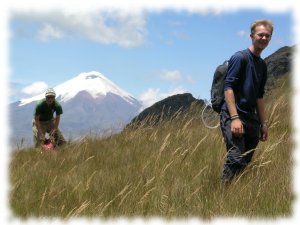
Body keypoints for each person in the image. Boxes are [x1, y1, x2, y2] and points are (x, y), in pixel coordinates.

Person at [220, 20, 273, 183]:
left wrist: (263, 124)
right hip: (233, 114)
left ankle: (235, 193)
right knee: (236, 157)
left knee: (245, 161)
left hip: (251, 118)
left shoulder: (262, 65)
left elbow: (259, 96)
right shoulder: (240, 57)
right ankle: (223, 194)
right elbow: (228, 87)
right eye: (260, 34)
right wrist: (234, 119)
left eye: (267, 36)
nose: (264, 38)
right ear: (252, 36)